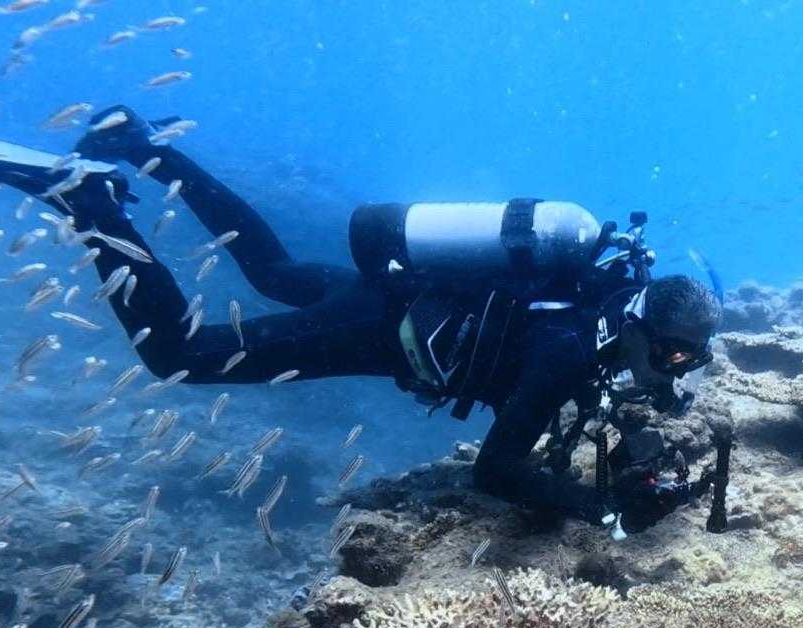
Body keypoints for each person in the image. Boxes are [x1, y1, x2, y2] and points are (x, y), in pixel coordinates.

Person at [53, 107, 720, 527]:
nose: (676, 371)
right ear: (639, 325)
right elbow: (495, 470)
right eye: (673, 354)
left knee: (274, 273)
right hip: (379, 330)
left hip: (396, 293)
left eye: (691, 358)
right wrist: (602, 508)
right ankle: (91, 201)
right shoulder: (568, 347)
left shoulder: (605, 300)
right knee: (181, 356)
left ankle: (142, 144)